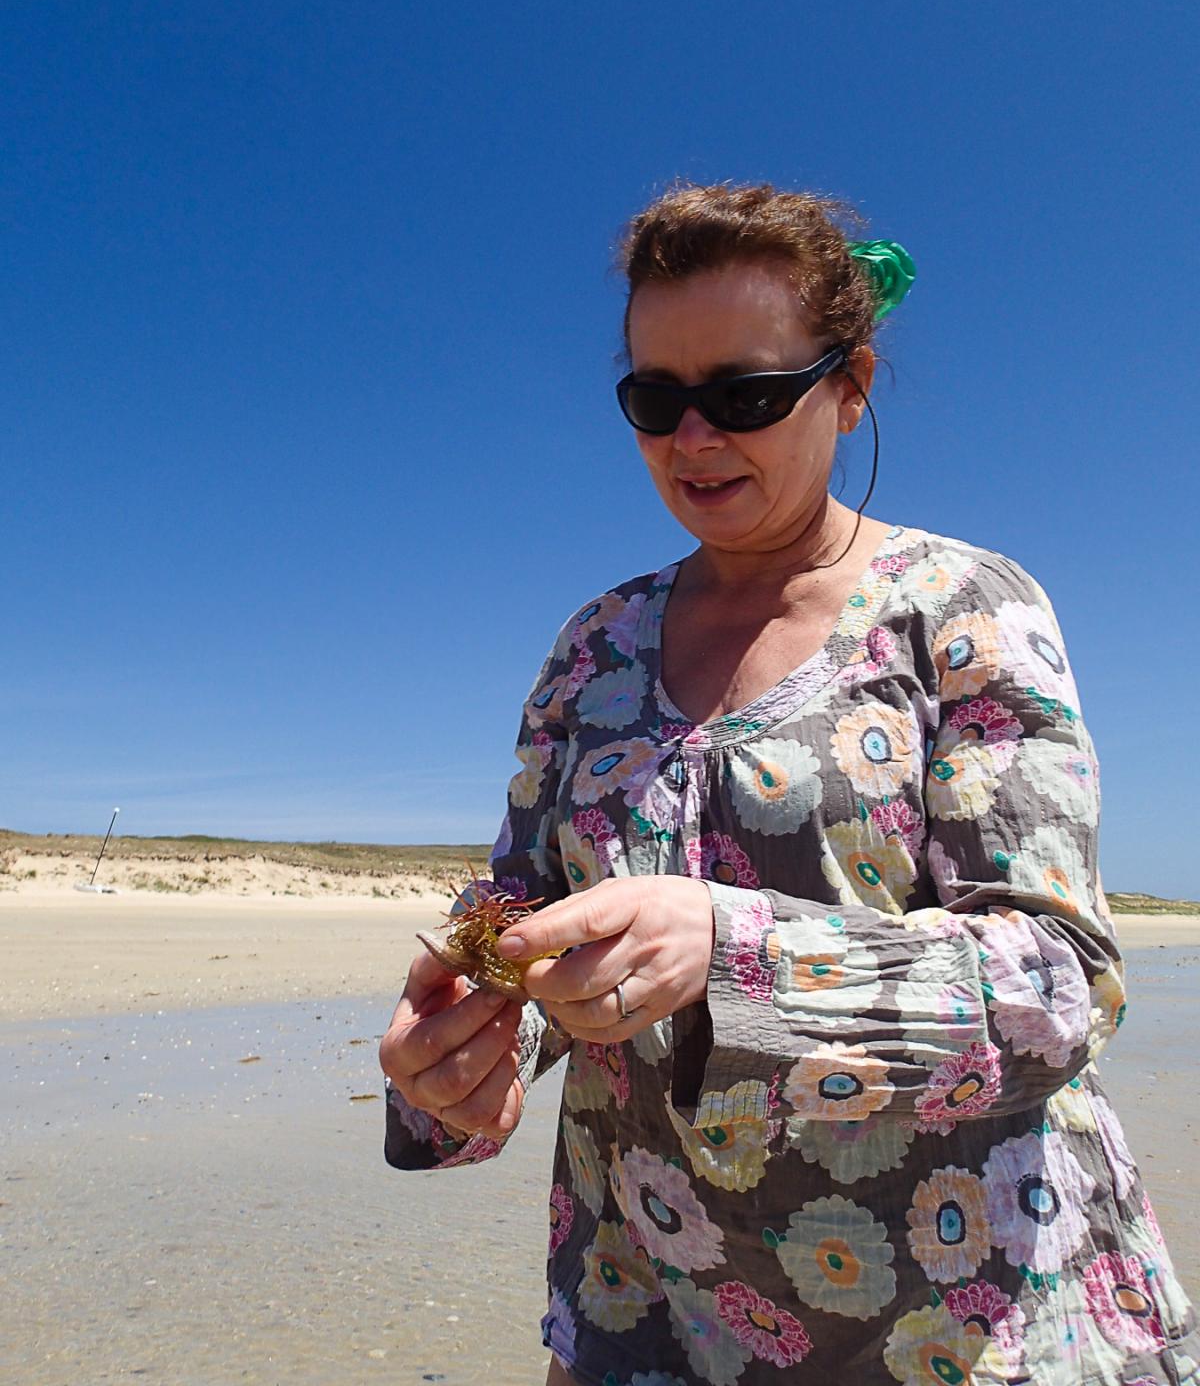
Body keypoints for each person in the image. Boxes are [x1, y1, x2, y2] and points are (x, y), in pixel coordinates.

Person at [379, 183, 1197, 1385]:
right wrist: (459, 1060)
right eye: (656, 399)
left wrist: (732, 947)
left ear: (850, 385)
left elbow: (1063, 987)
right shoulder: (593, 648)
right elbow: (521, 916)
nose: (694, 438)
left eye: (746, 396)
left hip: (978, 1320)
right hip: (653, 1308)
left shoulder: (961, 607)